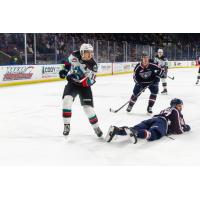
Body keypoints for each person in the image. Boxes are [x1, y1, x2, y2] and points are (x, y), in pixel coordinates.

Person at [59, 43, 103, 137]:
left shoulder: (93, 65)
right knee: (66, 101)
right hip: (72, 84)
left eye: (91, 53)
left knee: (88, 109)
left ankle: (96, 127)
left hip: (84, 87)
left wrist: (80, 79)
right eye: (87, 53)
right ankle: (66, 125)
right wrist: (64, 71)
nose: (90, 55)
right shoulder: (74, 54)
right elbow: (67, 63)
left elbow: (91, 80)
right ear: (82, 52)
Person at [106, 98, 191, 143]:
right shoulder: (175, 111)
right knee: (154, 133)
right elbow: (178, 129)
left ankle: (117, 130)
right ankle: (137, 134)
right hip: (161, 122)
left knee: (134, 128)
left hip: (152, 119)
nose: (180, 108)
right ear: (175, 105)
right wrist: (186, 128)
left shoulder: (165, 110)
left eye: (181, 106)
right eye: (179, 106)